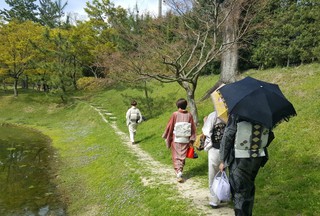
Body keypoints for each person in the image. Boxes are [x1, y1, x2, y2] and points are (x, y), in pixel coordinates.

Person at [219, 114, 275, 216]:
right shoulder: (265, 114)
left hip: (239, 158)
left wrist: (223, 159)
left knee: (239, 190)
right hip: (257, 156)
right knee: (249, 187)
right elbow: (270, 135)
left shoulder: (238, 114)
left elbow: (228, 136)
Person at [162, 98, 197, 183]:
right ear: (186, 105)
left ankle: (178, 172)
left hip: (176, 138)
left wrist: (166, 135)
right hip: (185, 138)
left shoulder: (175, 114)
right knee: (183, 155)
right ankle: (180, 170)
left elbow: (170, 125)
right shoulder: (189, 115)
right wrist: (192, 139)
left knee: (176, 156)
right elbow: (192, 127)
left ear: (178, 105)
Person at [202, 111, 226, 209]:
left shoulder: (214, 115)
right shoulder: (231, 114)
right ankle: (223, 194)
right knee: (223, 172)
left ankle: (214, 200)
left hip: (215, 148)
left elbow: (206, 131)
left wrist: (205, 122)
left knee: (213, 173)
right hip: (227, 148)